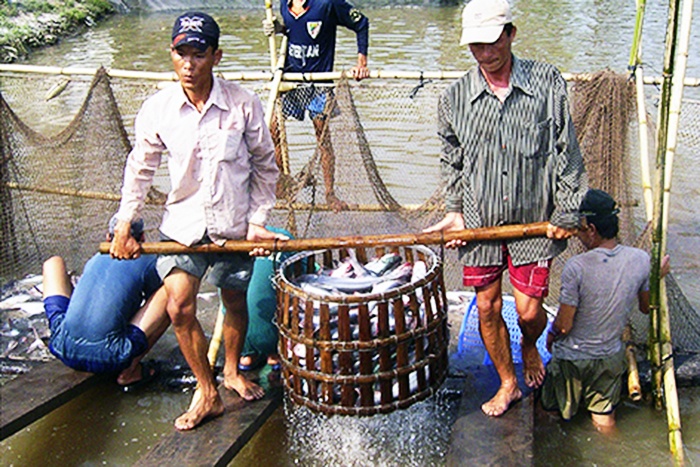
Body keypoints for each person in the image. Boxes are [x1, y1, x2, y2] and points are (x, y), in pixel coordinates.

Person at [110, 11, 286, 431]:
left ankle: (230, 371)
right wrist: (124, 222)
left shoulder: (243, 104)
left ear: (216, 56)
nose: (189, 64)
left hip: (233, 224)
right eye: (181, 53)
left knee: (234, 301)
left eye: (199, 54)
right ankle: (207, 391)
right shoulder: (158, 108)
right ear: (171, 54)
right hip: (182, 223)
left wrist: (258, 221)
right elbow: (141, 168)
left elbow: (266, 167)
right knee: (178, 306)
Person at [423, 0, 587, 418]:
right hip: (479, 220)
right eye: (475, 45)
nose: (485, 53)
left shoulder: (546, 82)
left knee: (530, 311)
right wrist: (455, 210)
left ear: (511, 33)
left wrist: (566, 212)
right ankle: (508, 382)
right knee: (486, 306)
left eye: (492, 42)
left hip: (534, 220)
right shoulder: (455, 98)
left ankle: (529, 344)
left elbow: (566, 150)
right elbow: (452, 161)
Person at [541, 189, 670, 433]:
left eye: (579, 227)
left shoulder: (576, 266)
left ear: (591, 230)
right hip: (610, 356)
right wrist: (657, 275)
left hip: (573, 359)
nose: (577, 233)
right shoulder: (640, 260)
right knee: (604, 418)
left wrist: (551, 333)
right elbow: (645, 307)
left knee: (550, 414)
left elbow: (565, 325)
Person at [263, 0, 370, 212]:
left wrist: (362, 64)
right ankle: (283, 185)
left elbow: (362, 23)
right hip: (291, 81)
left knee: (322, 134)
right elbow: (293, 30)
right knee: (273, 129)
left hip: (319, 82)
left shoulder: (327, 4)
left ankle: (330, 194)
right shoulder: (285, 4)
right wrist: (279, 29)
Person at [43, 219, 170, 391]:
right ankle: (130, 370)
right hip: (111, 356)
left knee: (53, 263)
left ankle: (82, 338)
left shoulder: (95, 258)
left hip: (63, 348)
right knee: (172, 291)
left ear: (108, 237)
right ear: (142, 238)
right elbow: (153, 302)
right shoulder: (148, 259)